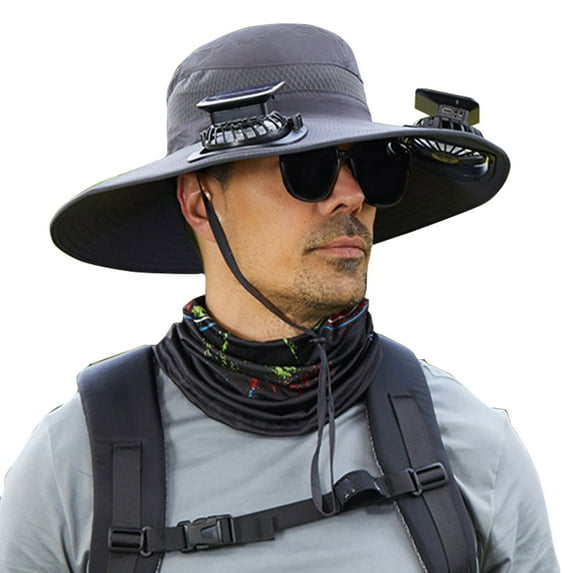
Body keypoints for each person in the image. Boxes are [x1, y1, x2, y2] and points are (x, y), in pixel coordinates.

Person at [0, 23, 559, 573]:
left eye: (373, 167)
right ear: (199, 202)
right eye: (307, 167)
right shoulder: (75, 462)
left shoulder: (473, 447)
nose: (352, 195)